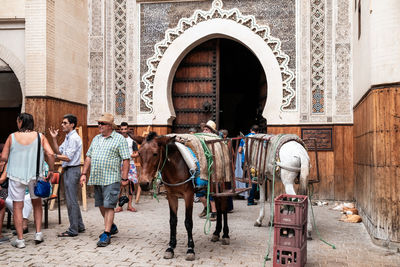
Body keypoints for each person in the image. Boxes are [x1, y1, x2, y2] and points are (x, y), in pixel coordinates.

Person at [0, 113, 55, 248]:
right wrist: (51, 170)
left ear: (20, 122)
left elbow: (4, 157)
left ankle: (20, 240)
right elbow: (51, 154)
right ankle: (38, 233)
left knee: (18, 206)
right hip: (35, 176)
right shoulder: (40, 137)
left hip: (16, 176)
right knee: (37, 204)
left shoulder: (12, 137)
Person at [80, 113, 130, 247]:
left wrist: (124, 178)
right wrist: (84, 173)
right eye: (99, 123)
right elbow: (89, 156)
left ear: (110, 126)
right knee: (101, 204)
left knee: (109, 205)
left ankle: (106, 233)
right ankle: (112, 226)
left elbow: (126, 159)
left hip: (111, 178)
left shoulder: (119, 139)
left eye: (102, 124)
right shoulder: (96, 138)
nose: (99, 126)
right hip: (97, 177)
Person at [49, 114, 85, 237]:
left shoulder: (74, 138)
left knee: (71, 201)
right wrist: (54, 138)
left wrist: (52, 155)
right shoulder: (68, 137)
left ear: (72, 124)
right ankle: (79, 226)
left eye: (65, 123)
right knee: (72, 199)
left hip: (73, 170)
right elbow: (60, 151)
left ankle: (73, 229)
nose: (62, 125)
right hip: (69, 170)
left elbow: (67, 157)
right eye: (62, 123)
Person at [115, 122, 139, 213]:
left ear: (128, 129)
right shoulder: (117, 140)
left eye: (125, 129)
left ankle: (129, 205)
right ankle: (119, 206)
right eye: (122, 129)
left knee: (131, 185)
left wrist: (132, 155)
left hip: (131, 164)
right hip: (120, 164)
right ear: (120, 130)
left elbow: (136, 153)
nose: (124, 131)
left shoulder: (132, 141)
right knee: (120, 185)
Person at [198, 120, 218, 221]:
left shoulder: (216, 141)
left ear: (212, 131)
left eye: (207, 129)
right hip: (201, 169)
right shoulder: (200, 140)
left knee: (211, 191)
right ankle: (207, 207)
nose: (205, 131)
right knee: (199, 190)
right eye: (204, 129)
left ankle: (214, 211)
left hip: (212, 169)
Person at [238, 125, 259, 205]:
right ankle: (250, 200)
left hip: (245, 162)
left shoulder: (244, 138)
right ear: (258, 132)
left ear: (250, 130)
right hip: (254, 162)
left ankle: (248, 196)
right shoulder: (258, 138)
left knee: (248, 179)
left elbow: (240, 150)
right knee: (253, 180)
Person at [0, 143, 10, 244]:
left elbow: (3, 179)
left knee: (3, 196)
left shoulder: (8, 164)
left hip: (5, 189)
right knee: (1, 202)